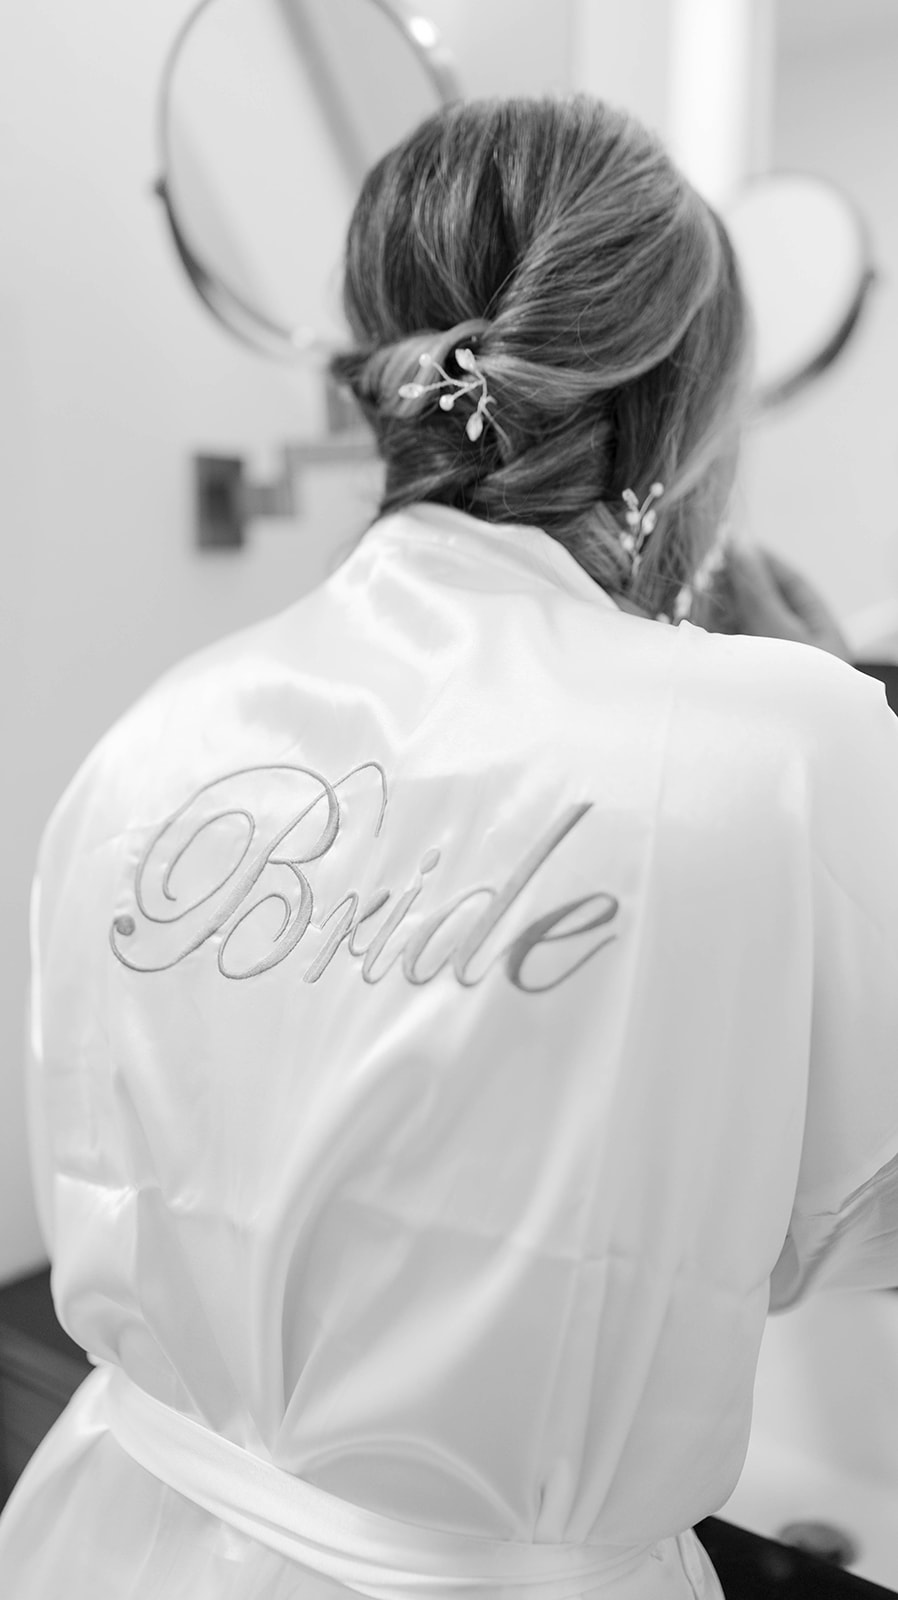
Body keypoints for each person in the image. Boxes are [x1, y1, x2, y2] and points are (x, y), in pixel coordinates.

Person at [2, 94, 898, 1600]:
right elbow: (854, 1226)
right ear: (679, 413)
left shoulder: (157, 734)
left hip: (106, 1536)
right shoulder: (787, 745)